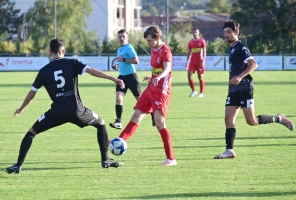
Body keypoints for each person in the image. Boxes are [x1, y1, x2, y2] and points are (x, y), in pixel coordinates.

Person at [5, 39, 125, 174]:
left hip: (57, 112)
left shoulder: (44, 71)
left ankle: (18, 165)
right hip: (77, 111)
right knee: (101, 123)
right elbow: (91, 71)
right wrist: (113, 78)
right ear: (63, 51)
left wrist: (21, 108)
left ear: (50, 52)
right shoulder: (72, 63)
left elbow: (32, 93)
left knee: (31, 133)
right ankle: (105, 160)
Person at [214, 20, 294, 159]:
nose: (225, 35)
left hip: (245, 88)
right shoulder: (232, 47)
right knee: (228, 119)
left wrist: (239, 76)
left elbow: (253, 64)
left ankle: (278, 118)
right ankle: (229, 150)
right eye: (224, 32)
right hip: (233, 89)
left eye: (229, 32)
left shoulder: (241, 47)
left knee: (251, 121)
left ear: (236, 32)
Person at [117, 25, 177, 166]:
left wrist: (159, 77)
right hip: (151, 88)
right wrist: (152, 78)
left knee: (159, 123)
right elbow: (155, 70)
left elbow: (167, 68)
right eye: (147, 41)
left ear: (158, 38)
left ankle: (171, 158)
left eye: (150, 40)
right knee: (136, 116)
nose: (148, 43)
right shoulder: (153, 49)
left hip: (161, 91)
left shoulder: (165, 51)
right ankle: (118, 142)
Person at [109, 29, 155, 129]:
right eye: (120, 37)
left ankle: (153, 114)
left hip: (131, 77)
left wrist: (124, 59)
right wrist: (117, 66)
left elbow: (136, 61)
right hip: (122, 78)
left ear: (127, 38)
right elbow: (121, 62)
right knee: (118, 98)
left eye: (123, 37)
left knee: (141, 101)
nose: (121, 39)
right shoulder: (119, 49)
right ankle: (118, 122)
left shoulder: (129, 47)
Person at [186, 28, 206, 97]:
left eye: (196, 32)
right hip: (192, 61)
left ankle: (201, 93)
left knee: (200, 77)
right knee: (189, 76)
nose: (194, 33)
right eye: (193, 32)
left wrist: (203, 61)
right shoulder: (190, 42)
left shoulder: (202, 40)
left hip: (199, 61)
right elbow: (189, 52)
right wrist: (187, 61)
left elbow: (204, 51)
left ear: (198, 33)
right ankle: (193, 90)